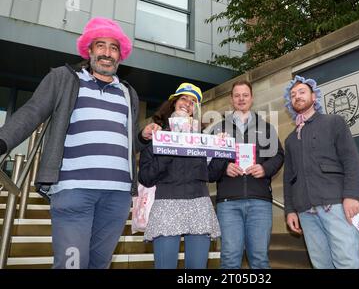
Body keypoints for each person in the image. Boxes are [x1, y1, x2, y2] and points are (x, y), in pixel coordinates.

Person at [0, 17, 157, 269]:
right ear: (89, 50)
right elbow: (32, 111)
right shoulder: (65, 78)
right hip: (74, 190)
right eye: (101, 45)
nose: (107, 53)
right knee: (71, 264)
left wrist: (141, 137)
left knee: (99, 264)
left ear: (121, 54)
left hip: (117, 195)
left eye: (114, 47)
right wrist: (3, 141)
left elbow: (128, 143)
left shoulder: (128, 92)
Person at [282, 75, 359, 269]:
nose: (297, 97)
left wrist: (352, 195)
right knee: (321, 264)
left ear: (314, 97)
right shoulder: (290, 139)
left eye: (302, 92)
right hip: (305, 211)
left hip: (336, 206)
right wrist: (290, 210)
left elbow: (351, 160)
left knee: (347, 262)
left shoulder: (334, 122)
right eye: (293, 95)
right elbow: (288, 179)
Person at [138, 83, 221, 269]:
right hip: (167, 204)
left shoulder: (203, 139)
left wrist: (221, 151)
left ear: (195, 111)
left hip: (199, 204)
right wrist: (170, 145)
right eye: (184, 98)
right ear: (174, 103)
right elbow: (146, 177)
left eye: (193, 102)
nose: (187, 103)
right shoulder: (156, 135)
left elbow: (212, 174)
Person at [208, 80, 284, 269]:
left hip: (260, 202)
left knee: (259, 259)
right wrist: (224, 168)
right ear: (231, 100)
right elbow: (207, 168)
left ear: (251, 98)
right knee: (230, 258)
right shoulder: (217, 129)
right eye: (237, 95)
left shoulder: (266, 128)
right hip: (228, 203)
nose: (241, 99)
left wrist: (265, 169)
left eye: (245, 95)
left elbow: (279, 156)